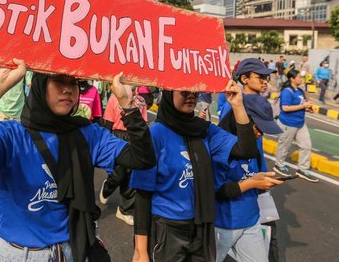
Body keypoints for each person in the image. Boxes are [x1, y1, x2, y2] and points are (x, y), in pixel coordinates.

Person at [0, 60, 156, 262]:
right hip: (19, 254)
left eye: (74, 82)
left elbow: (142, 158)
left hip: (74, 250)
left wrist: (127, 104)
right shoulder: (9, 135)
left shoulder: (87, 134)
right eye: (58, 80)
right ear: (38, 85)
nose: (68, 89)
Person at [130, 80, 258, 262]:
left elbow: (247, 150)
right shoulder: (155, 134)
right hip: (167, 229)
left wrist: (237, 105)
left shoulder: (205, 131)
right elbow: (142, 193)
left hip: (201, 226)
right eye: (184, 90)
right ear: (168, 92)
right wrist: (140, 251)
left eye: (196, 91)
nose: (191, 95)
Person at [216, 58, 285, 262]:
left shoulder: (260, 106)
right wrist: (252, 183)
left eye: (267, 77)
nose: (265, 81)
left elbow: (254, 156)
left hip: (251, 213)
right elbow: (216, 189)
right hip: (224, 220)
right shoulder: (224, 135)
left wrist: (259, 180)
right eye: (260, 76)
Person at [99, 88, 150, 226]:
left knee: (132, 176)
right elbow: (108, 123)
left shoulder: (141, 102)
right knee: (118, 173)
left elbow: (143, 123)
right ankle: (108, 186)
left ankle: (125, 210)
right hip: (118, 136)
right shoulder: (113, 99)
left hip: (133, 137)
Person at [274, 69, 318, 183]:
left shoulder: (300, 91)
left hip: (300, 123)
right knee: (284, 146)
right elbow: (285, 108)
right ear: (292, 79)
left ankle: (303, 169)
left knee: (306, 145)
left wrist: (308, 109)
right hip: (288, 123)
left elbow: (300, 105)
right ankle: (279, 164)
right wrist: (303, 105)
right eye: (299, 77)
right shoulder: (287, 92)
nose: (301, 79)